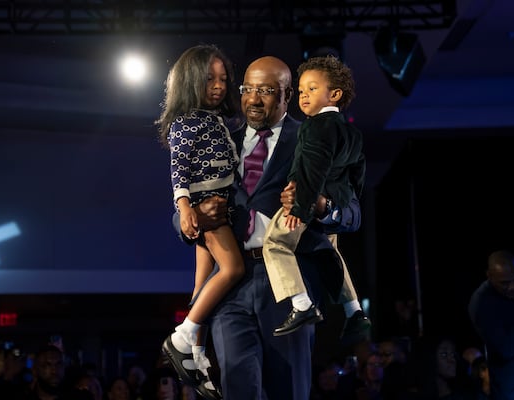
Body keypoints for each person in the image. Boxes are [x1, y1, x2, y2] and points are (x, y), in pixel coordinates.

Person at [173, 55, 355, 399]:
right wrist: (194, 216)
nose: (253, 99)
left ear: (288, 95)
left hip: (289, 284)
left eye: (267, 91)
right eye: (248, 89)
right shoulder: (218, 137)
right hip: (232, 282)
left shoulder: (316, 140)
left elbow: (351, 213)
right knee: (238, 387)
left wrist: (319, 205)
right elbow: (181, 204)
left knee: (288, 389)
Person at [155, 44, 243, 400]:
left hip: (217, 203)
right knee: (233, 268)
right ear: (190, 81)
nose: (219, 86)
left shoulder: (216, 120)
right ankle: (183, 336)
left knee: (201, 286)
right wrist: (186, 207)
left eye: (223, 79)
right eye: (209, 79)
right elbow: (179, 169)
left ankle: (196, 355)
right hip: (208, 206)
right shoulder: (185, 123)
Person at [261, 54, 366, 336]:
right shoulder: (352, 132)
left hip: (305, 199)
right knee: (331, 254)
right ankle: (354, 310)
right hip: (336, 200)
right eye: (302, 90)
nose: (304, 95)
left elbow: (314, 167)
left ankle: (301, 303)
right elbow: (358, 174)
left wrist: (300, 207)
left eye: (312, 88)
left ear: (334, 94)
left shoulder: (315, 126)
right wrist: (344, 200)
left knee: (275, 243)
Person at [468, 249, 514, 400]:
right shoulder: (481, 304)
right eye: (505, 283)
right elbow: (506, 347)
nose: (513, 287)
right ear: (489, 276)